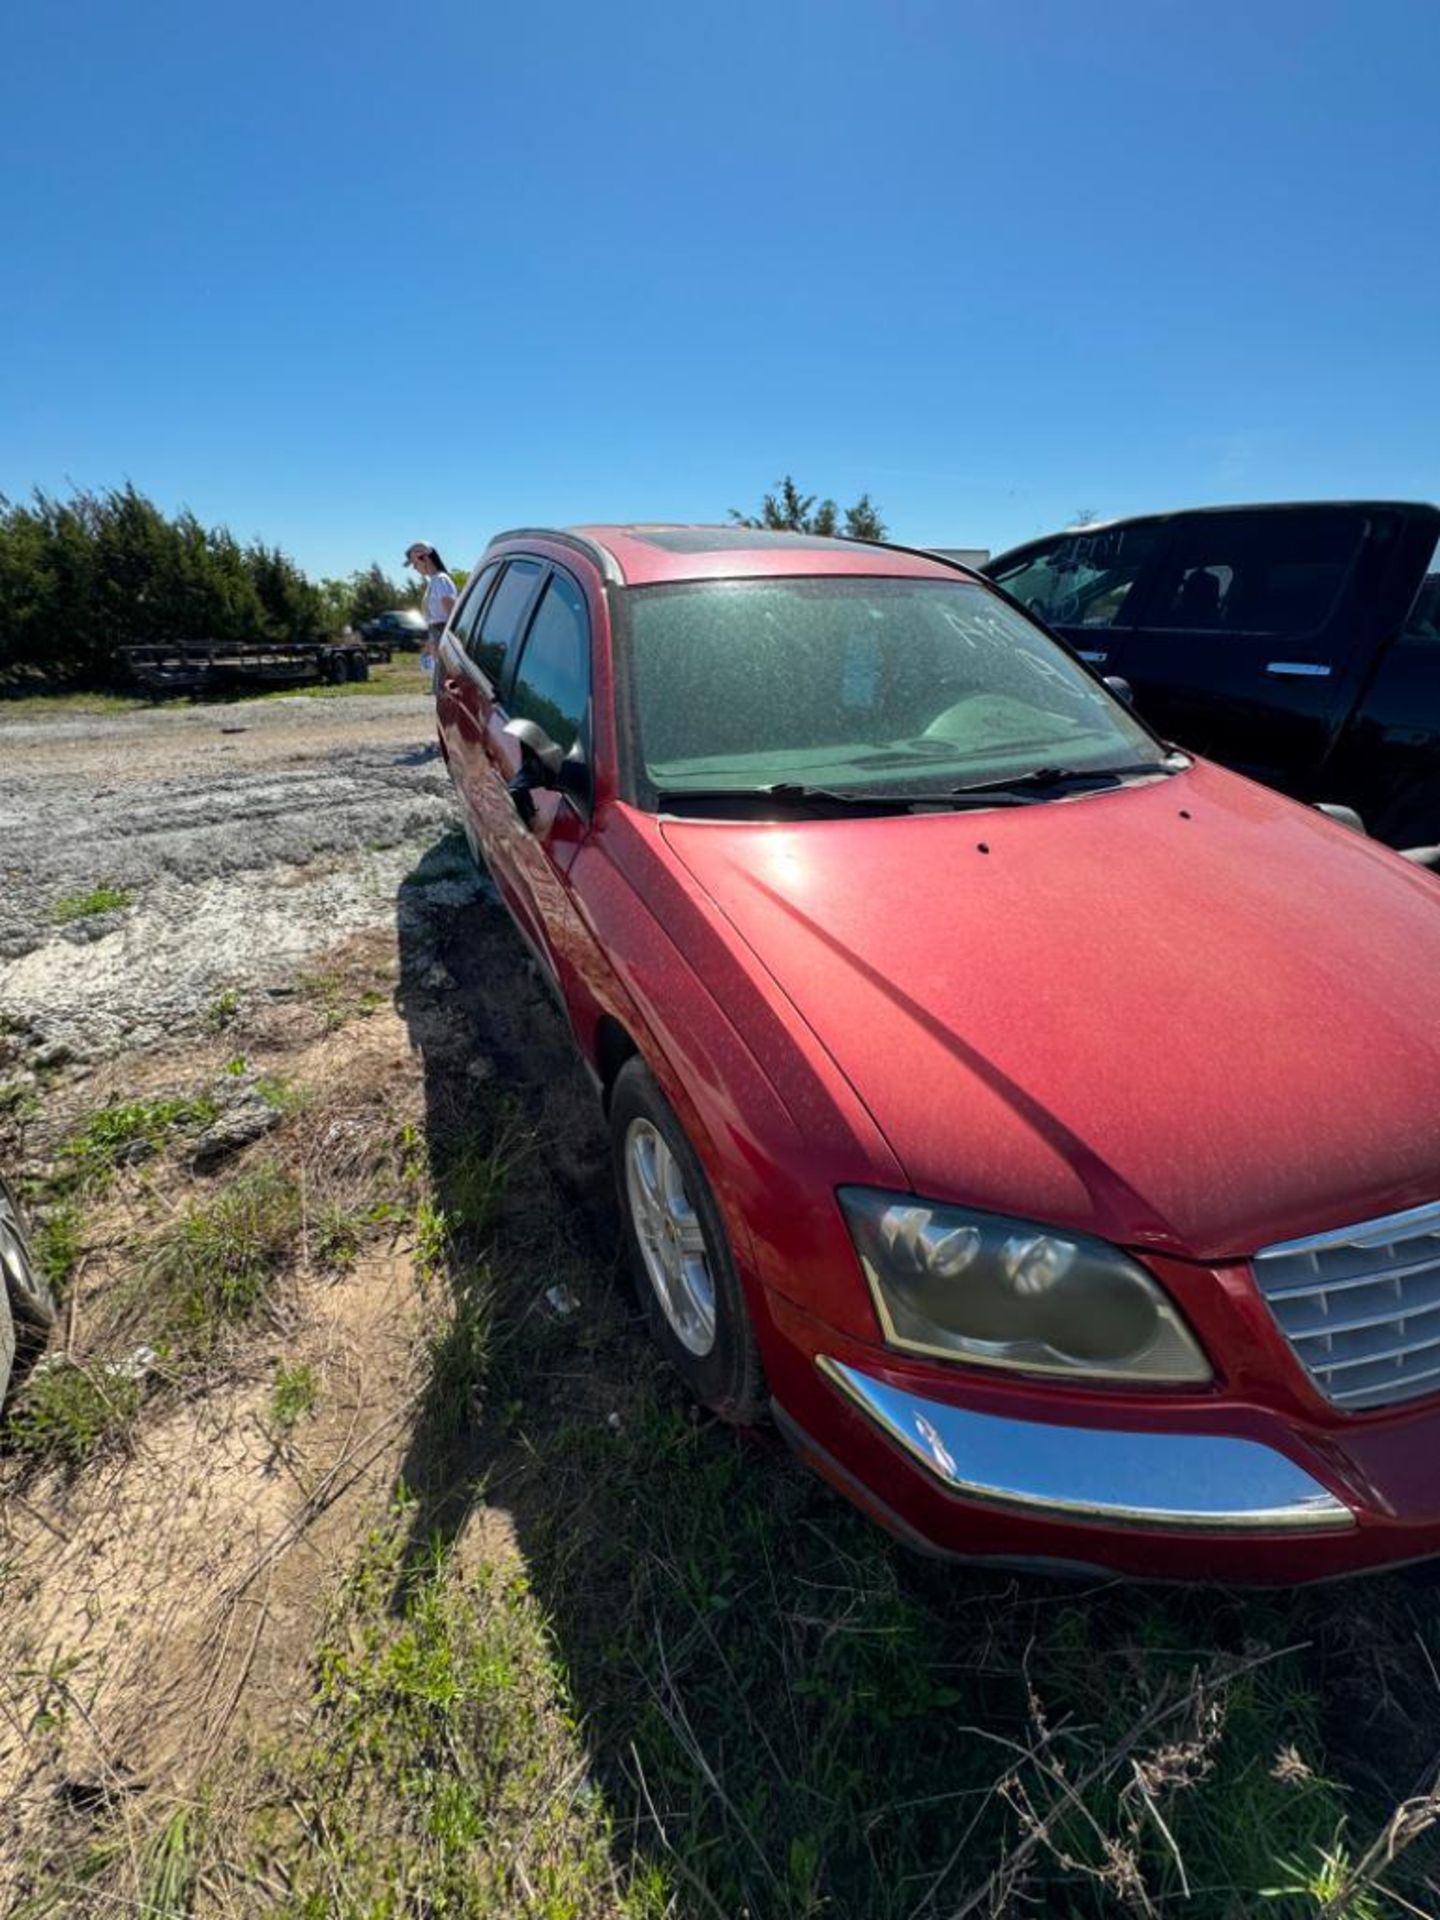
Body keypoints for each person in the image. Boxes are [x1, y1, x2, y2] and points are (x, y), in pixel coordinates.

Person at [405, 542, 457, 688]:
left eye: (415, 563)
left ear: (425, 558)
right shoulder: (433, 582)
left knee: (443, 689)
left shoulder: (441, 581)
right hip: (437, 639)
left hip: (443, 640)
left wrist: (444, 645)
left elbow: (452, 615)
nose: (414, 568)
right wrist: (430, 645)